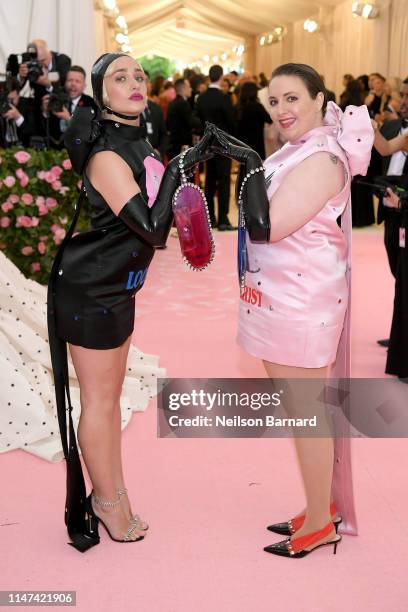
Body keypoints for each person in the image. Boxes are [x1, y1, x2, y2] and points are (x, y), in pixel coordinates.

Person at [47, 52, 212, 552]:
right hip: (92, 290)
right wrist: (184, 162)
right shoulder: (107, 154)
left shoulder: (138, 140)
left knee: (110, 399)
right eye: (119, 77)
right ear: (101, 94)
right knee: (99, 402)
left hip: (119, 286)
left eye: (138, 74)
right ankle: (109, 502)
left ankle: (110, 492)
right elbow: (153, 227)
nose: (134, 81)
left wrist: (181, 164)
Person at [235, 63, 374, 557]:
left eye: (292, 99)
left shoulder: (320, 158)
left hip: (301, 303)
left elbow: (267, 225)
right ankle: (321, 505)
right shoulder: (298, 151)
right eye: (273, 102)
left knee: (307, 414)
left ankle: (320, 522)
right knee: (304, 413)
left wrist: (249, 161)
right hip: (279, 297)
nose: (281, 110)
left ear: (319, 99)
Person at [195, 64, 236, 229]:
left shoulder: (202, 98)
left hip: (207, 144)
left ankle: (209, 217)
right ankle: (223, 219)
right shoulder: (224, 98)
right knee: (224, 181)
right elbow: (231, 122)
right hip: (223, 144)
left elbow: (198, 120)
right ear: (221, 77)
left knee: (210, 181)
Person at [41, 65, 97, 149]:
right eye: (70, 80)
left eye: (77, 81)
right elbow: (43, 130)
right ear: (65, 83)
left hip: (78, 151)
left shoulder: (91, 103)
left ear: (84, 86)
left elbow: (90, 132)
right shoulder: (55, 99)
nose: (73, 84)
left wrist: (68, 118)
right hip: (53, 150)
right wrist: (45, 112)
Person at [235, 81, 272, 159]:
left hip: (242, 144)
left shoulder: (238, 107)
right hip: (257, 144)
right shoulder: (257, 106)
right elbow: (269, 120)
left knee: (243, 168)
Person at [167, 78, 201, 159]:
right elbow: (192, 122)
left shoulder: (173, 102)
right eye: (189, 87)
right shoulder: (182, 103)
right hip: (182, 145)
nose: (191, 89)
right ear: (183, 88)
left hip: (175, 144)